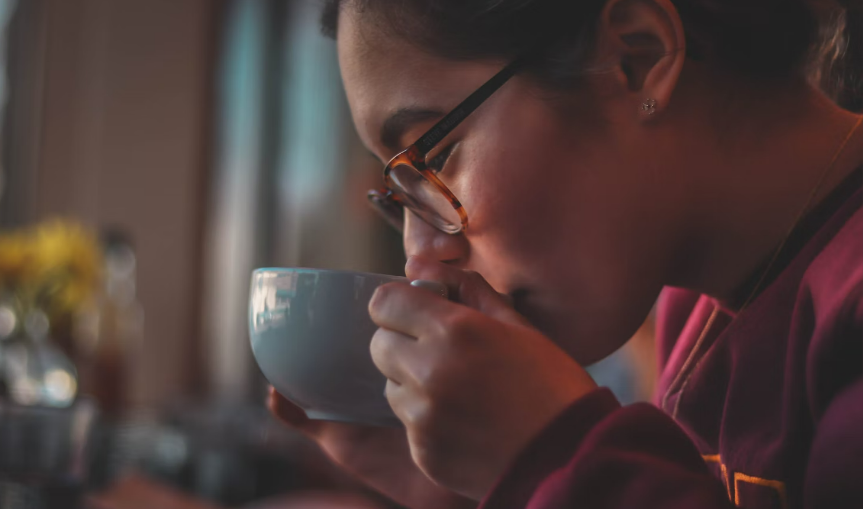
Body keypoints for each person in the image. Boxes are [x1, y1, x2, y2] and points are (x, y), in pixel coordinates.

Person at [269, 0, 863, 507]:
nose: (421, 260)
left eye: (434, 157)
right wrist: (480, 489)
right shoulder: (694, 305)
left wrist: (553, 458)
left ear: (635, 59)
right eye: (400, 195)